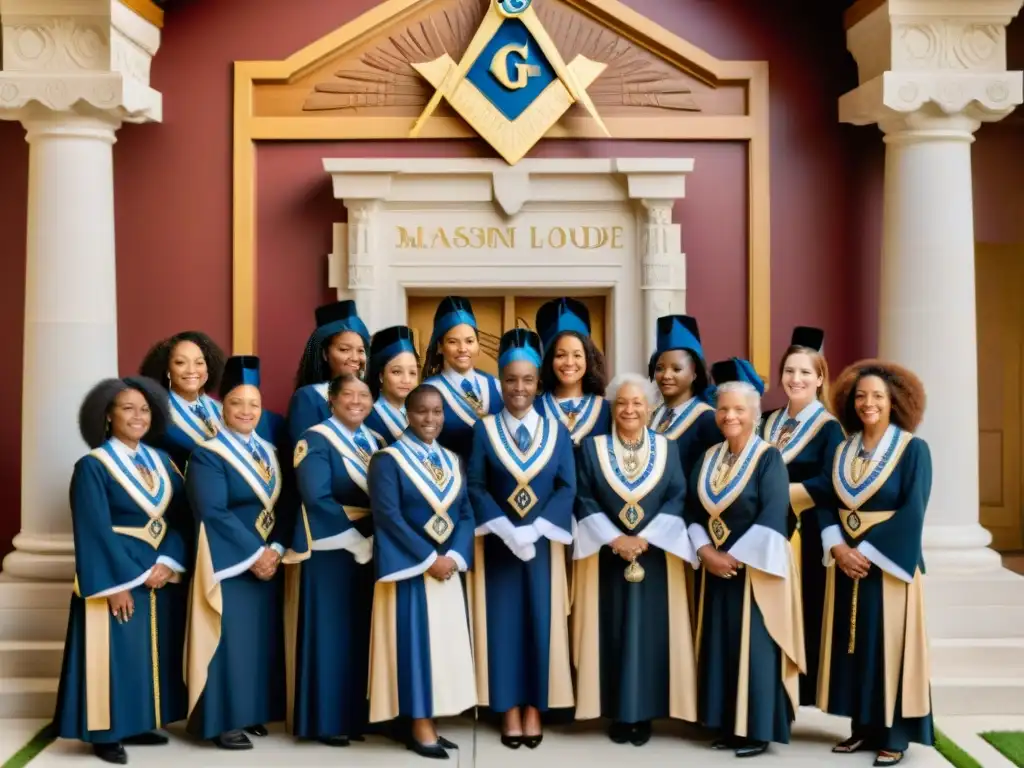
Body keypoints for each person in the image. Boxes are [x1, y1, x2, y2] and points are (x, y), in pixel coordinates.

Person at [53, 376, 189, 765]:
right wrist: (115, 584)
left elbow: (182, 517)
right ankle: (106, 732)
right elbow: (92, 527)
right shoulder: (93, 466)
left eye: (144, 409)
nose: (138, 415)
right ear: (108, 416)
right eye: (127, 408)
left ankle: (138, 721)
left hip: (159, 574)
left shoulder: (163, 462)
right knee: (113, 654)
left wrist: (168, 562)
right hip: (118, 575)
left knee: (148, 654)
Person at [815, 360, 933, 767]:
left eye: (878, 396)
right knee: (855, 645)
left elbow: (913, 510)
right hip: (847, 561)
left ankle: (895, 735)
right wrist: (837, 548)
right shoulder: (843, 449)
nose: (868, 403)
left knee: (891, 648)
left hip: (889, 563)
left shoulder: (912, 449)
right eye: (861, 395)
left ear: (894, 402)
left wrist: (864, 551)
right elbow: (828, 502)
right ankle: (862, 728)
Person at [685, 359, 804, 758]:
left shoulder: (768, 458)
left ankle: (756, 729)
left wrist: (729, 558)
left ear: (755, 413)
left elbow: (774, 514)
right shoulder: (709, 458)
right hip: (716, 570)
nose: (730, 415)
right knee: (721, 646)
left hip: (756, 571)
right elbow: (692, 512)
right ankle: (727, 724)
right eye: (723, 409)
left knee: (756, 648)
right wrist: (705, 553)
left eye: (739, 409)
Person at [571, 373, 698, 747]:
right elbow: (584, 497)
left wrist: (644, 538)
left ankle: (643, 714)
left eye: (637, 403)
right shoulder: (592, 449)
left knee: (649, 635)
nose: (629, 409)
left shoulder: (668, 447)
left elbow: (678, 495)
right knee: (612, 633)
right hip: (607, 557)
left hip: (654, 557)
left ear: (650, 407)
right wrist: (615, 539)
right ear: (613, 406)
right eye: (622, 403)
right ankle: (617, 712)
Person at [467, 329, 576, 749]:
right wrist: (506, 528)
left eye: (527, 380)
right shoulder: (485, 429)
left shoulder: (556, 431)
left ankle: (535, 707)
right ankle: (509, 708)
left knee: (539, 625)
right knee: (504, 627)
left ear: (538, 383)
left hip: (542, 545)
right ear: (501, 382)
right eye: (511, 379)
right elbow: (475, 485)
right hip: (498, 545)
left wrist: (535, 528)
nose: (519, 388)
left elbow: (567, 486)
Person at [366, 384, 477, 760]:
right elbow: (388, 516)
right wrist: (430, 559)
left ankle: (432, 717)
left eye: (437, 412)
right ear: (407, 415)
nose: (430, 419)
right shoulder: (388, 460)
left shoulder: (452, 459)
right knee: (414, 648)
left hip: (447, 569)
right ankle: (417, 724)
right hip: (411, 568)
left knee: (441, 649)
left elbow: (464, 512)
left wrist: (456, 557)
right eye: (421, 412)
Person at [184, 356, 287, 750]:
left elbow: (283, 504)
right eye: (237, 403)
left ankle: (249, 710)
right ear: (222, 408)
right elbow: (212, 510)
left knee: (258, 641)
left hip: (266, 560)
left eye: (254, 404)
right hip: (228, 562)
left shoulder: (270, 451)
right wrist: (255, 553)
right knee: (226, 641)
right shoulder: (208, 454)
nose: (246, 411)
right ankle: (220, 718)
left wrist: (275, 548)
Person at [285, 373, 380, 746]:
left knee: (358, 634)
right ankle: (325, 719)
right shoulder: (315, 439)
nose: (356, 401)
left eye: (363, 395)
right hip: (331, 547)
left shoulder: (374, 442)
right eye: (348, 395)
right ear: (332, 401)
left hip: (369, 546)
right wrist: (356, 540)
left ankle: (358, 715)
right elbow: (316, 497)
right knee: (330, 635)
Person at [758, 326, 844, 706]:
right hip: (762, 529)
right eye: (790, 371)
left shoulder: (830, 429)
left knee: (801, 607)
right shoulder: (766, 420)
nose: (796, 379)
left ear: (821, 377)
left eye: (806, 372)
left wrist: (783, 495)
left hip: (804, 535)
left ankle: (801, 692)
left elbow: (832, 482)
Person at [421, 296, 502, 458]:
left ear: (478, 345)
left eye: (470, 341)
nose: (463, 348)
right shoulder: (427, 392)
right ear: (439, 347)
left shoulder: (496, 385)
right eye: (453, 342)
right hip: (451, 480)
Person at [138, 331, 226, 473]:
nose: (191, 370)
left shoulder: (222, 409)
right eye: (180, 362)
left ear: (208, 369)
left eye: (199, 363)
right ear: (168, 370)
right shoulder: (155, 415)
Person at [288, 300, 371, 445]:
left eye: (360, 350)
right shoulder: (309, 398)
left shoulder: (368, 398)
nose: (355, 358)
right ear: (325, 354)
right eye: (344, 349)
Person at [647, 315, 720, 477]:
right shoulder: (652, 416)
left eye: (676, 369)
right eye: (659, 368)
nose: (666, 375)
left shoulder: (708, 420)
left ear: (694, 373)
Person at [534, 297, 610, 445]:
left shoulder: (607, 410)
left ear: (588, 358)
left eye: (577, 355)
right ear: (549, 360)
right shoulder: (534, 409)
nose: (569, 363)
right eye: (560, 355)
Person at [364, 325, 419, 444]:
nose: (406, 380)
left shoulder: (424, 414)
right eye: (397, 372)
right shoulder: (366, 419)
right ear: (381, 376)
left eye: (412, 373)